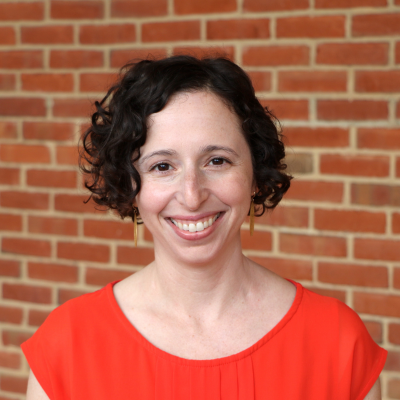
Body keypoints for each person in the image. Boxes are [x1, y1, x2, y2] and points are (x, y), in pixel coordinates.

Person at [22, 55, 387, 400]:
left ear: (255, 174)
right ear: (131, 187)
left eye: (216, 160)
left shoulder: (337, 343)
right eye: (162, 166)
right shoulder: (66, 346)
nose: (192, 195)